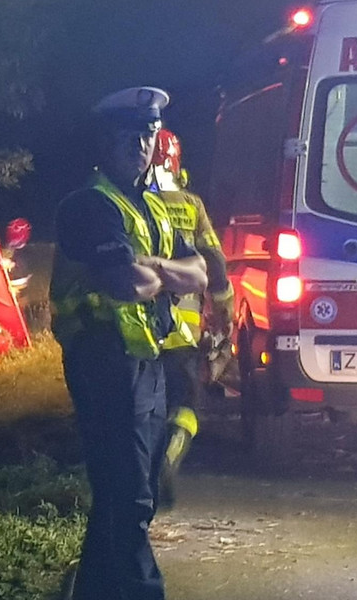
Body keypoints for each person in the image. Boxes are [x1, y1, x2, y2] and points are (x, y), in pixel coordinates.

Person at [51, 86, 208, 600]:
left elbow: (201, 272)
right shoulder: (88, 206)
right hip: (102, 363)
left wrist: (155, 268)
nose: (141, 145)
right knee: (130, 497)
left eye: (148, 134)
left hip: (147, 364)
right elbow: (125, 284)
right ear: (104, 142)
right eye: (129, 135)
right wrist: (166, 274)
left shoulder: (154, 207)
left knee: (123, 495)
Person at [149, 128, 235, 510]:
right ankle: (167, 461)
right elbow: (214, 263)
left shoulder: (127, 204)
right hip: (181, 333)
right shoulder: (190, 205)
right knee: (185, 405)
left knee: (139, 407)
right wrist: (225, 310)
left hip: (133, 331)